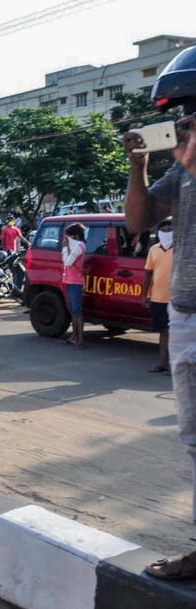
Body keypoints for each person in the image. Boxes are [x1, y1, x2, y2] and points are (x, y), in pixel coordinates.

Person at [122, 44, 196, 580]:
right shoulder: (185, 170)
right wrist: (139, 166)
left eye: (189, 115)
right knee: (194, 440)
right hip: (188, 314)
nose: (182, 124)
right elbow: (138, 221)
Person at [143, 218, 174, 374]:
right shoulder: (154, 250)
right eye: (165, 230)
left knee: (175, 333)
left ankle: (174, 365)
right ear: (159, 233)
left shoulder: (181, 249)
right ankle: (163, 363)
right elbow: (148, 274)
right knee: (163, 332)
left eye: (170, 230)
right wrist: (145, 296)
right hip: (157, 297)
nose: (167, 233)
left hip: (176, 299)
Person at [61, 223, 87, 349]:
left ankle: (79, 338)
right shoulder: (76, 246)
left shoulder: (79, 246)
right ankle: (75, 336)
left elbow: (67, 262)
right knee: (73, 311)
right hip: (70, 280)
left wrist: (65, 248)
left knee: (77, 311)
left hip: (75, 281)